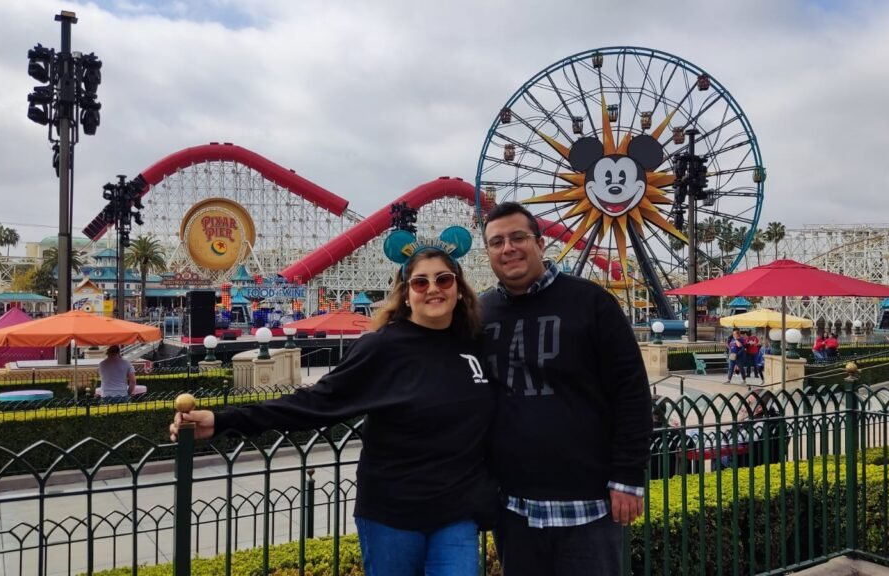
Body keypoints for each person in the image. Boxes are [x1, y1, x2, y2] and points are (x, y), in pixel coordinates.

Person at [169, 237, 496, 576]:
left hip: (456, 513)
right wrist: (223, 420)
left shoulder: (474, 345)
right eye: (420, 282)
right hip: (394, 513)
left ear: (459, 289)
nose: (433, 288)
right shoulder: (382, 347)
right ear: (405, 294)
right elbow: (315, 402)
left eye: (444, 279)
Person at [479, 202, 652, 575]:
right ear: (488, 252)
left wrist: (627, 476)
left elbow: (631, 392)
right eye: (497, 242)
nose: (508, 248)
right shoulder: (481, 313)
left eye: (518, 237)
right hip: (513, 507)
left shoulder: (591, 302)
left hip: (589, 506)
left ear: (540, 244)